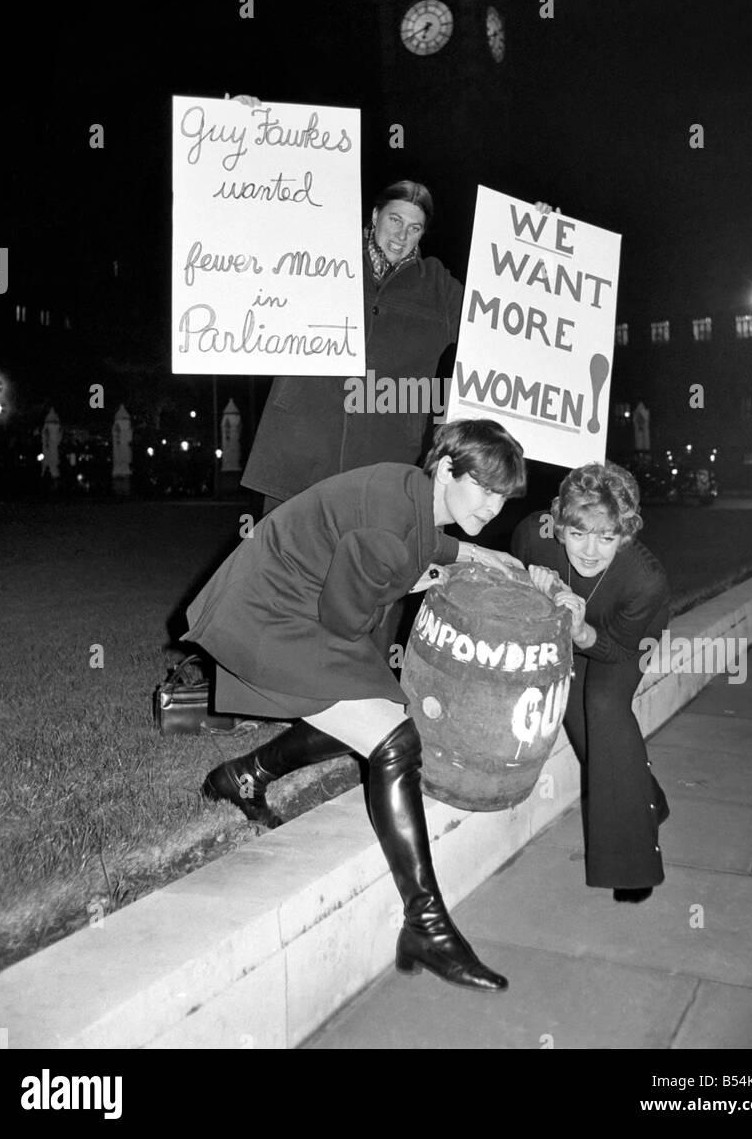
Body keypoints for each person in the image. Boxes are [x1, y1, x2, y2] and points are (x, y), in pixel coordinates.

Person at [182, 418, 527, 990]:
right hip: (269, 614)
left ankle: (244, 775)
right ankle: (428, 927)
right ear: (446, 468)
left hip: (292, 600)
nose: (492, 508)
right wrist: (415, 582)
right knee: (395, 738)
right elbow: (348, 621)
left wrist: (474, 554)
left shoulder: (408, 489)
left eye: (501, 497)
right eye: (483, 489)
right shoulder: (391, 534)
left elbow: (425, 536)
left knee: (374, 711)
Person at [240, 177, 463, 510]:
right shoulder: (324, 256)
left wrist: (535, 240)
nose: (402, 236)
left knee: (363, 560)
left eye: (414, 228)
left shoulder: (438, 288)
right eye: (395, 220)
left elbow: (494, 328)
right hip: (301, 441)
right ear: (375, 216)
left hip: (382, 457)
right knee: (283, 556)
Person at [511, 462, 671, 904]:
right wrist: (534, 588)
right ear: (559, 525)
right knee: (573, 712)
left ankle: (632, 862)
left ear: (625, 534)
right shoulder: (532, 536)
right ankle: (647, 799)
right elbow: (513, 592)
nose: (589, 550)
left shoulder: (645, 579)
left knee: (603, 703)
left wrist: (583, 634)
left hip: (623, 635)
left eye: (606, 537)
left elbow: (619, 652)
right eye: (578, 533)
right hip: (568, 622)